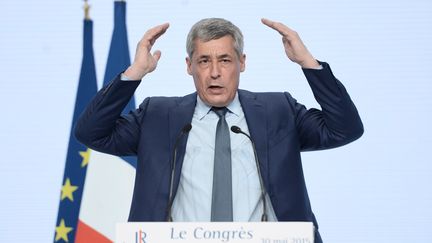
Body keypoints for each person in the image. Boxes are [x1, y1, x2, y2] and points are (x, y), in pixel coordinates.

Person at [75, 18, 363, 242]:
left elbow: (345, 129)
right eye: (204, 61)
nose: (215, 72)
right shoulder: (158, 115)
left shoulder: (278, 110)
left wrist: (308, 63)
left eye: (225, 60)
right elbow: (91, 133)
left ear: (242, 62)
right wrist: (133, 74)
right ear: (189, 66)